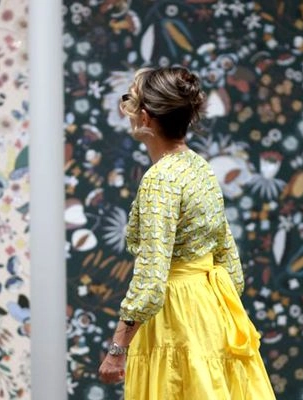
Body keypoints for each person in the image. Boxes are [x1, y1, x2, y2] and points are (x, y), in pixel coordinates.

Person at [98, 66, 276, 400]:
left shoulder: (160, 180)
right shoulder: (200, 167)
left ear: (145, 118)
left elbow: (151, 278)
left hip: (174, 317)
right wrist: (216, 314)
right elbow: (229, 260)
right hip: (212, 310)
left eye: (131, 104)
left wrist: (117, 349)